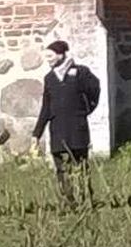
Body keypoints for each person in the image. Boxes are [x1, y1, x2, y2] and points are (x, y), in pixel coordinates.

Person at [31, 39, 99, 207]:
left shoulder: (81, 73)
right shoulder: (49, 78)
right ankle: (69, 202)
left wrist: (85, 110)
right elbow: (46, 107)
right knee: (62, 168)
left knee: (81, 165)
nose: (48, 60)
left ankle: (86, 199)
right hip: (58, 129)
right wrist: (36, 134)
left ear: (61, 55)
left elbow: (94, 91)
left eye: (51, 56)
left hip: (77, 128)